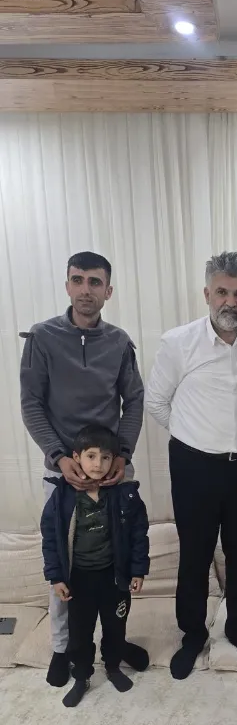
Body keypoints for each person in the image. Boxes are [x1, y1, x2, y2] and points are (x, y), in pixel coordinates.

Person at [20, 251, 148, 688]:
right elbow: (31, 404)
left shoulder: (119, 342)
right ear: (67, 286)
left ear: (108, 291)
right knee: (67, 567)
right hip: (63, 474)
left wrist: (123, 454)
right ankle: (64, 649)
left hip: (113, 471)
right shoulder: (42, 337)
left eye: (95, 282)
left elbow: (135, 401)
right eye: (78, 280)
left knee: (115, 561)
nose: (86, 290)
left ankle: (114, 643)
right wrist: (60, 456)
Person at [146, 251, 237, 680]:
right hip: (193, 467)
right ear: (207, 294)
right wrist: (192, 436)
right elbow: (156, 402)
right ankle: (192, 635)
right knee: (194, 555)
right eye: (222, 291)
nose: (230, 302)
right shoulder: (177, 343)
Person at [41, 425, 150, 708]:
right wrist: (56, 577)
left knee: (115, 628)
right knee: (80, 633)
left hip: (114, 579)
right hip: (79, 580)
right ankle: (82, 676)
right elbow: (51, 539)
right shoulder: (62, 497)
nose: (98, 464)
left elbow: (139, 534)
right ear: (76, 457)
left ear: (115, 460)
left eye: (105, 457)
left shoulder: (125, 494)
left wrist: (138, 570)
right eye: (91, 456)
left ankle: (112, 667)